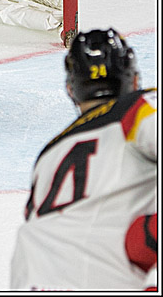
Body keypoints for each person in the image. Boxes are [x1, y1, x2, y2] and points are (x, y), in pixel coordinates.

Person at [10, 28, 158, 290]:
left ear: (71, 90)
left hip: (30, 279)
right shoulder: (138, 108)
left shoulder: (49, 154)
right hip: (102, 278)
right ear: (134, 81)